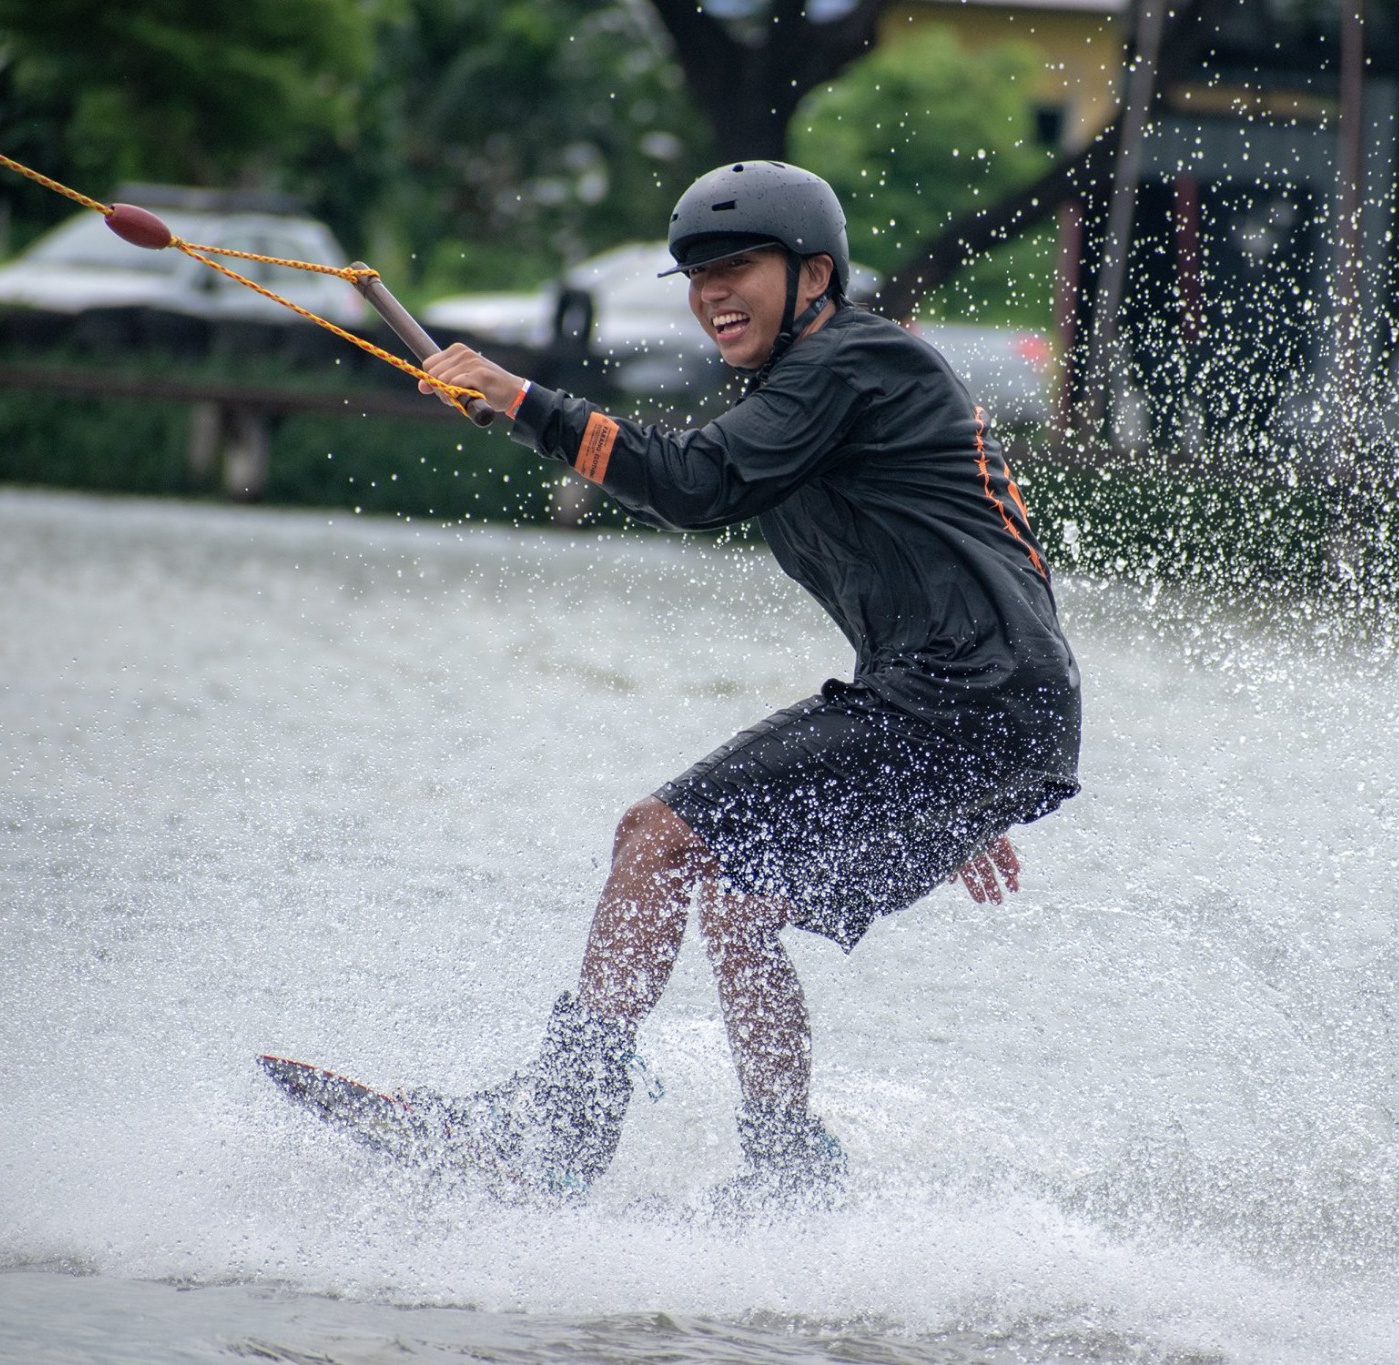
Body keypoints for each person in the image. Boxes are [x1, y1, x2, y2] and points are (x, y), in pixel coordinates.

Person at [402, 161, 1080, 1206]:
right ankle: (786, 1168)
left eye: (738, 268)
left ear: (815, 275)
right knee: (741, 895)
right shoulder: (809, 397)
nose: (712, 293)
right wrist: (972, 777)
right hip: (985, 709)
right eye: (696, 275)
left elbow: (693, 484)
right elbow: (970, 568)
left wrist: (519, 398)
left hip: (963, 699)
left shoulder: (855, 362)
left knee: (655, 836)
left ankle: (558, 1126)